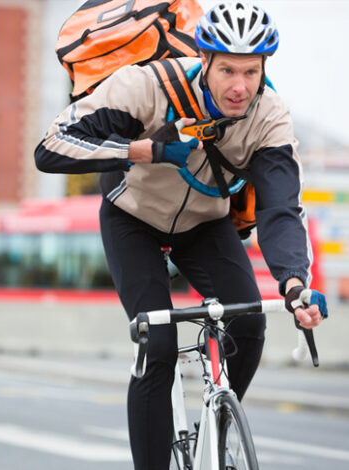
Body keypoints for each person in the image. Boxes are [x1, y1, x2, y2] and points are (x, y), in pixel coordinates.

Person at [34, 2, 328, 469]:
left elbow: (280, 208)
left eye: (251, 72)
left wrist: (295, 283)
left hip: (204, 224)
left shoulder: (270, 116)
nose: (239, 85)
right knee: (159, 344)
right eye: (228, 69)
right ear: (205, 60)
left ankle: (219, 424)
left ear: (263, 69)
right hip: (132, 217)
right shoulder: (150, 85)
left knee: (250, 325)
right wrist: (145, 149)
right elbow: (49, 150)